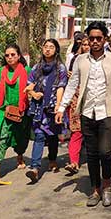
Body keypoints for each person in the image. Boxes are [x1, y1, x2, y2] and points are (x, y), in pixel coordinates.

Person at [57, 21, 111, 207]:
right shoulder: (80, 60)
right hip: (87, 112)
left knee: (105, 151)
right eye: (91, 38)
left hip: (108, 112)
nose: (94, 41)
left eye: (98, 38)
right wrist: (62, 108)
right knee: (92, 154)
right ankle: (95, 189)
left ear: (105, 39)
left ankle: (107, 184)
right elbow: (72, 84)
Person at [0, 44, 31, 181]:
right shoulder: (1, 72)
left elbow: (33, 86)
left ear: (19, 56)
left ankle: (20, 156)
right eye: (7, 55)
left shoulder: (27, 71)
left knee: (20, 139)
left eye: (13, 55)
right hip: (3, 111)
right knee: (1, 138)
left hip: (22, 112)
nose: (10, 58)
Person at [25, 39, 68, 183]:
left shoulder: (60, 68)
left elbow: (61, 86)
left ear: (56, 50)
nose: (48, 49)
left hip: (53, 106)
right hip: (39, 107)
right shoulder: (36, 68)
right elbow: (28, 86)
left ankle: (52, 159)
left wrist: (59, 105)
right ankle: (35, 168)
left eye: (51, 47)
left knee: (53, 135)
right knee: (39, 136)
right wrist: (33, 94)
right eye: (46, 47)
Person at [61, 36, 90, 175]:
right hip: (76, 99)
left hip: (93, 101)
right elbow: (70, 82)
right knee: (76, 132)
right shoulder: (75, 60)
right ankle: (74, 162)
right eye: (84, 44)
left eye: (88, 44)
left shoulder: (103, 62)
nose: (87, 46)